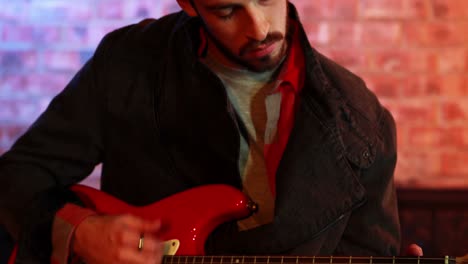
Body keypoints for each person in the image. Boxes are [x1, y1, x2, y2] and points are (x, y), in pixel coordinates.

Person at [0, 0, 417, 263]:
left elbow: (366, 253)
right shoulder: (127, 63)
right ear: (189, 4)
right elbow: (16, 177)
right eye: (227, 10)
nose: (258, 28)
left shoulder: (362, 118)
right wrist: (79, 232)